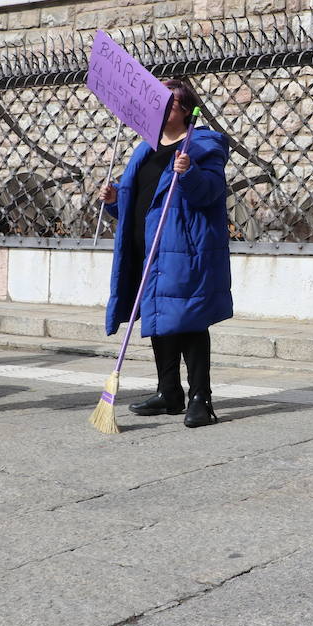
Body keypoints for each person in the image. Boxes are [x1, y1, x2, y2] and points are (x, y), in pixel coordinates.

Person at [97, 79, 232, 429]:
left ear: (185, 110)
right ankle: (168, 391)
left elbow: (210, 193)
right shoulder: (144, 149)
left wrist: (189, 173)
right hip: (147, 246)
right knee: (159, 318)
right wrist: (114, 202)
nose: (158, 108)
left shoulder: (203, 145)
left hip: (183, 249)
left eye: (167, 103)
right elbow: (138, 203)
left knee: (188, 321)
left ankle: (201, 398)